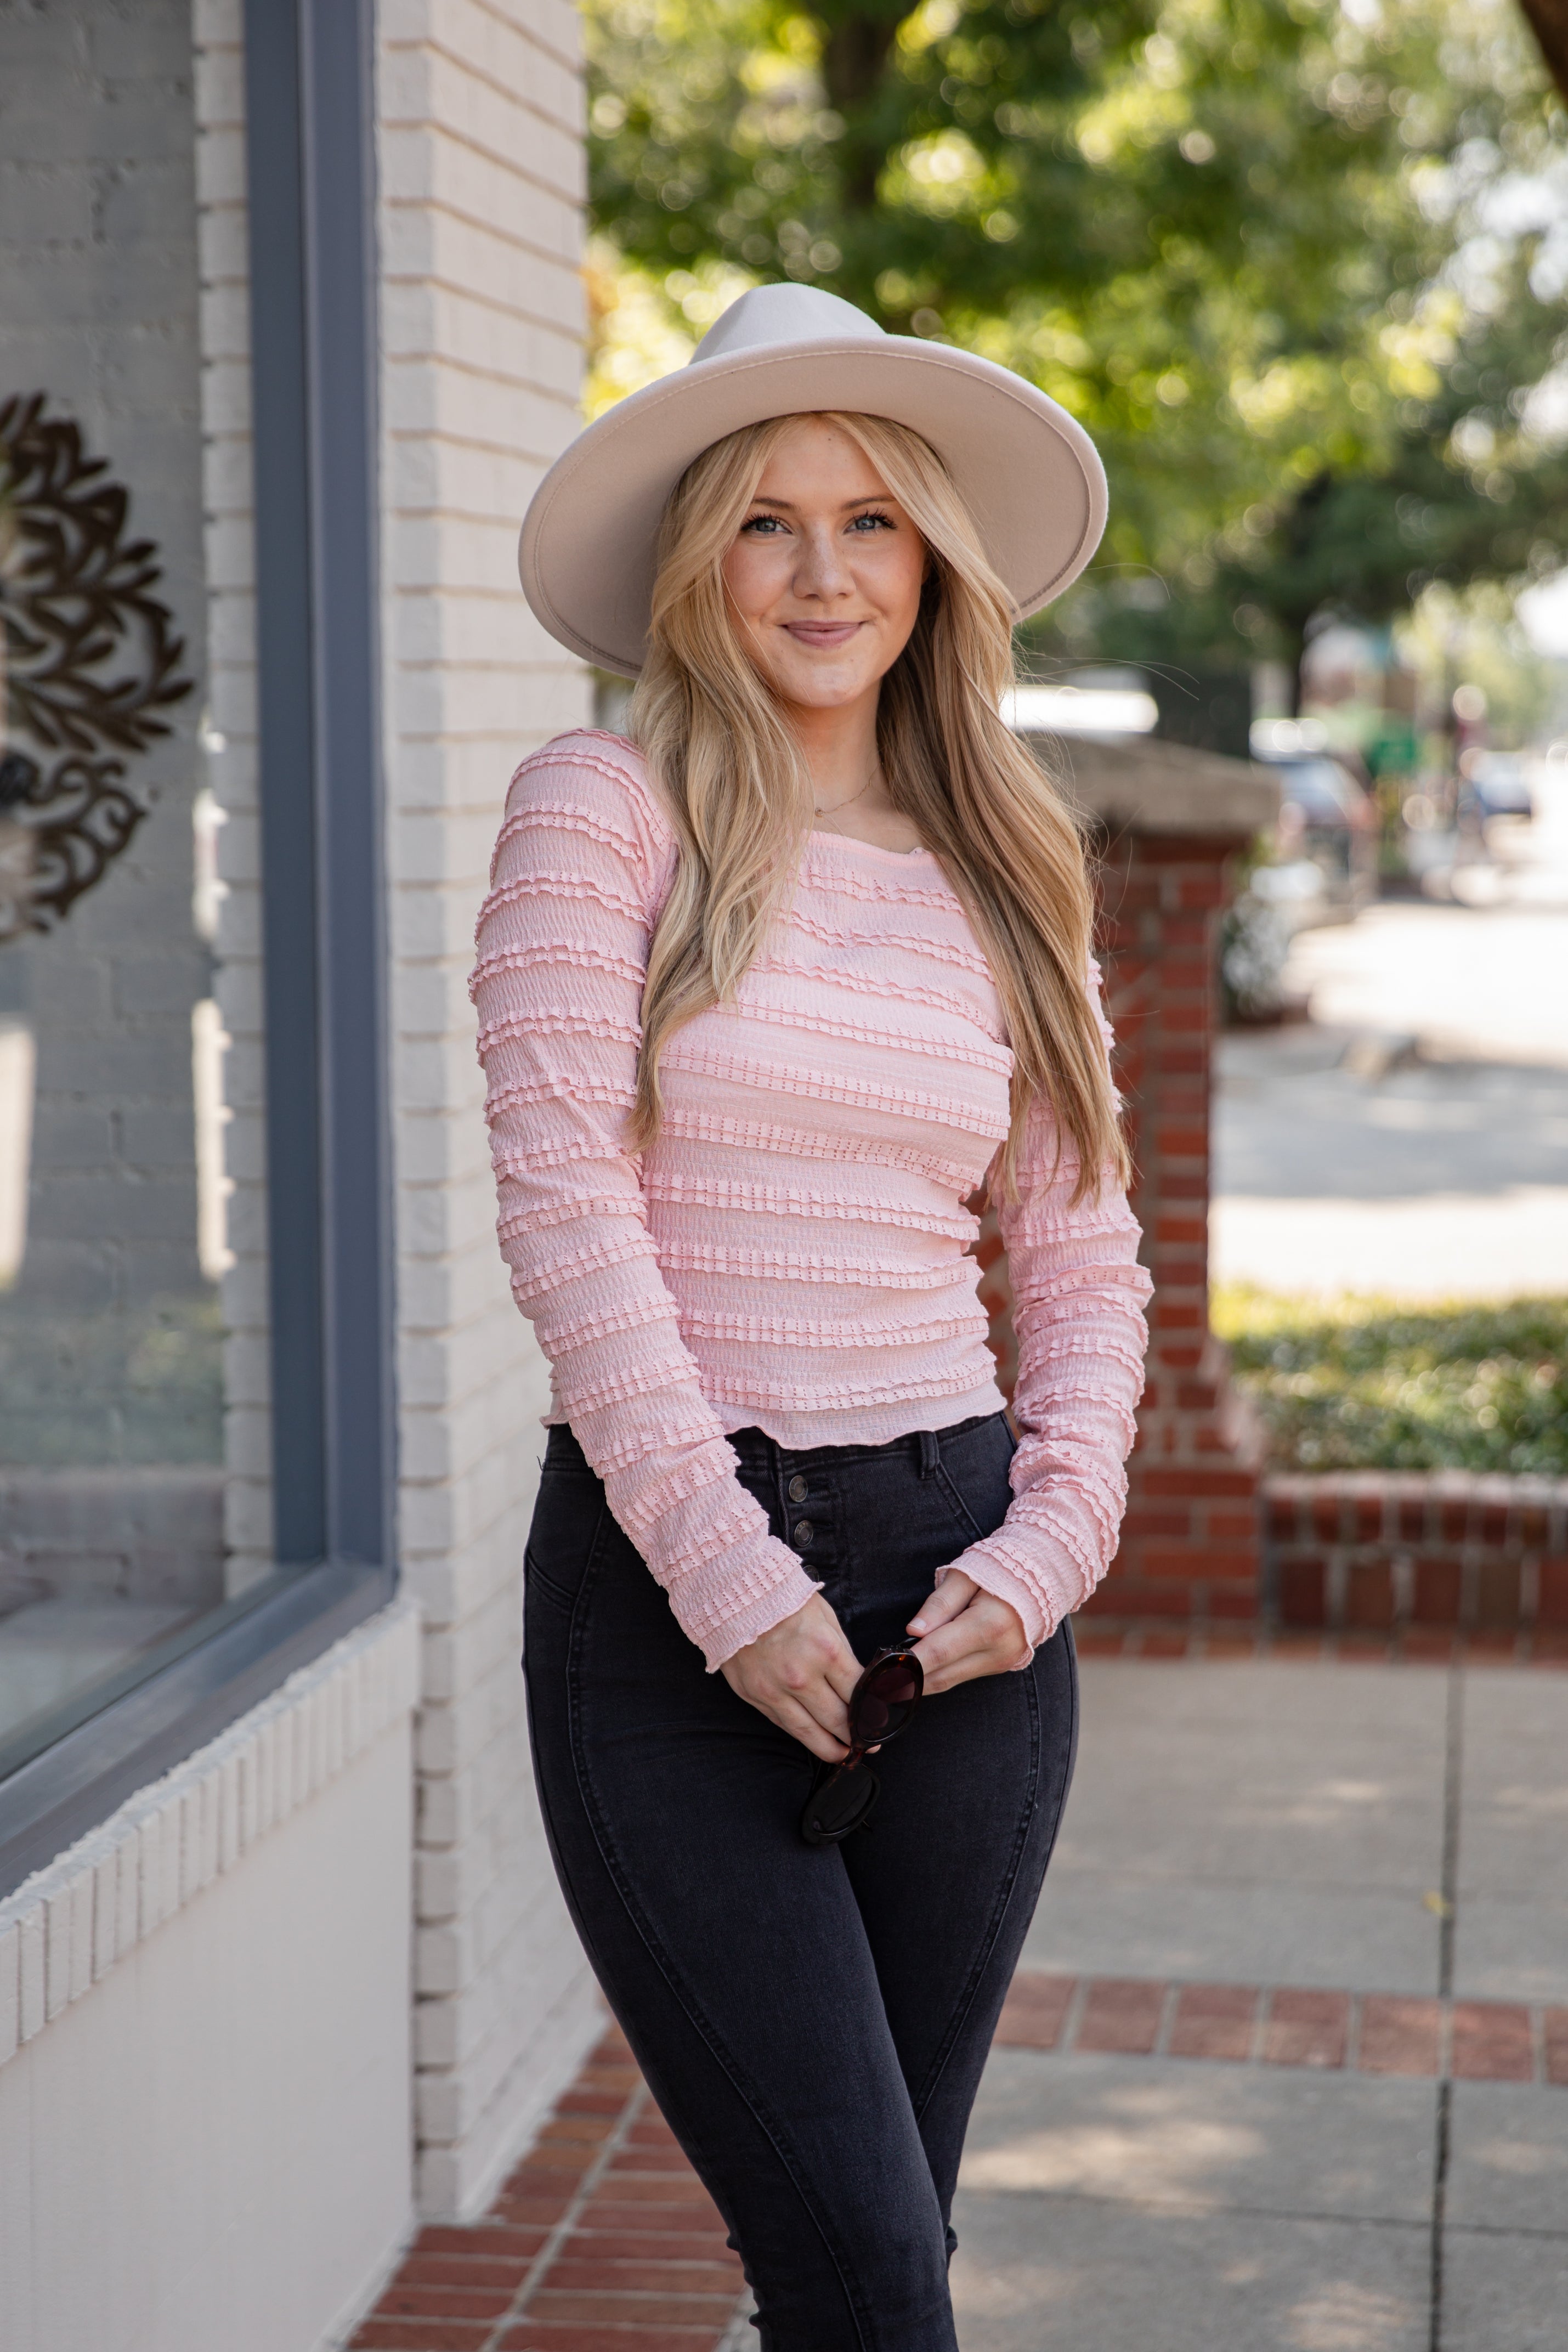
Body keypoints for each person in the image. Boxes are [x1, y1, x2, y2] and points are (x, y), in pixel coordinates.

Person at [472, 283, 1153, 2352]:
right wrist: (730, 1579)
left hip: (964, 1596)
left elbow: (1082, 1248)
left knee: (882, 2254)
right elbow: (565, 1207)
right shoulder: (600, 809)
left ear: (932, 559)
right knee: (854, 2265)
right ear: (699, 564)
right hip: (675, 1596)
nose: (822, 571)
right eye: (765, 521)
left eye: (869, 520)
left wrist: (1051, 1546)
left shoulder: (1003, 861)